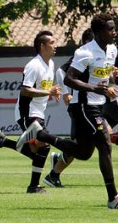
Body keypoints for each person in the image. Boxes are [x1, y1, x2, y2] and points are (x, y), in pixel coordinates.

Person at [15, 13, 118, 209]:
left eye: (114, 28)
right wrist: (94, 88)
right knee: (105, 144)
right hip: (84, 107)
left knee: (84, 152)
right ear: (98, 32)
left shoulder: (112, 50)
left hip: (98, 105)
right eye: (110, 29)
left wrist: (114, 79)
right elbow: (70, 78)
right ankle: (113, 198)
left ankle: (42, 135)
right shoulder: (85, 52)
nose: (114, 32)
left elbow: (107, 77)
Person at [0, 30, 61, 193]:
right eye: (52, 43)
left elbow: (42, 89)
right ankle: (34, 186)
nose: (56, 45)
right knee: (44, 146)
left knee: (37, 152)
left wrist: (51, 93)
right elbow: (25, 90)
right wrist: (49, 92)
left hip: (38, 113)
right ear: (42, 46)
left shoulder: (51, 64)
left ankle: (2, 141)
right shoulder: (34, 65)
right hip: (27, 113)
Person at [43, 28, 94, 188]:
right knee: (82, 146)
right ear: (87, 42)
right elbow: (60, 71)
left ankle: (55, 167)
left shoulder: (100, 55)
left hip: (93, 106)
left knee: (84, 147)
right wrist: (65, 93)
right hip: (80, 106)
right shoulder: (83, 54)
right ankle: (53, 173)